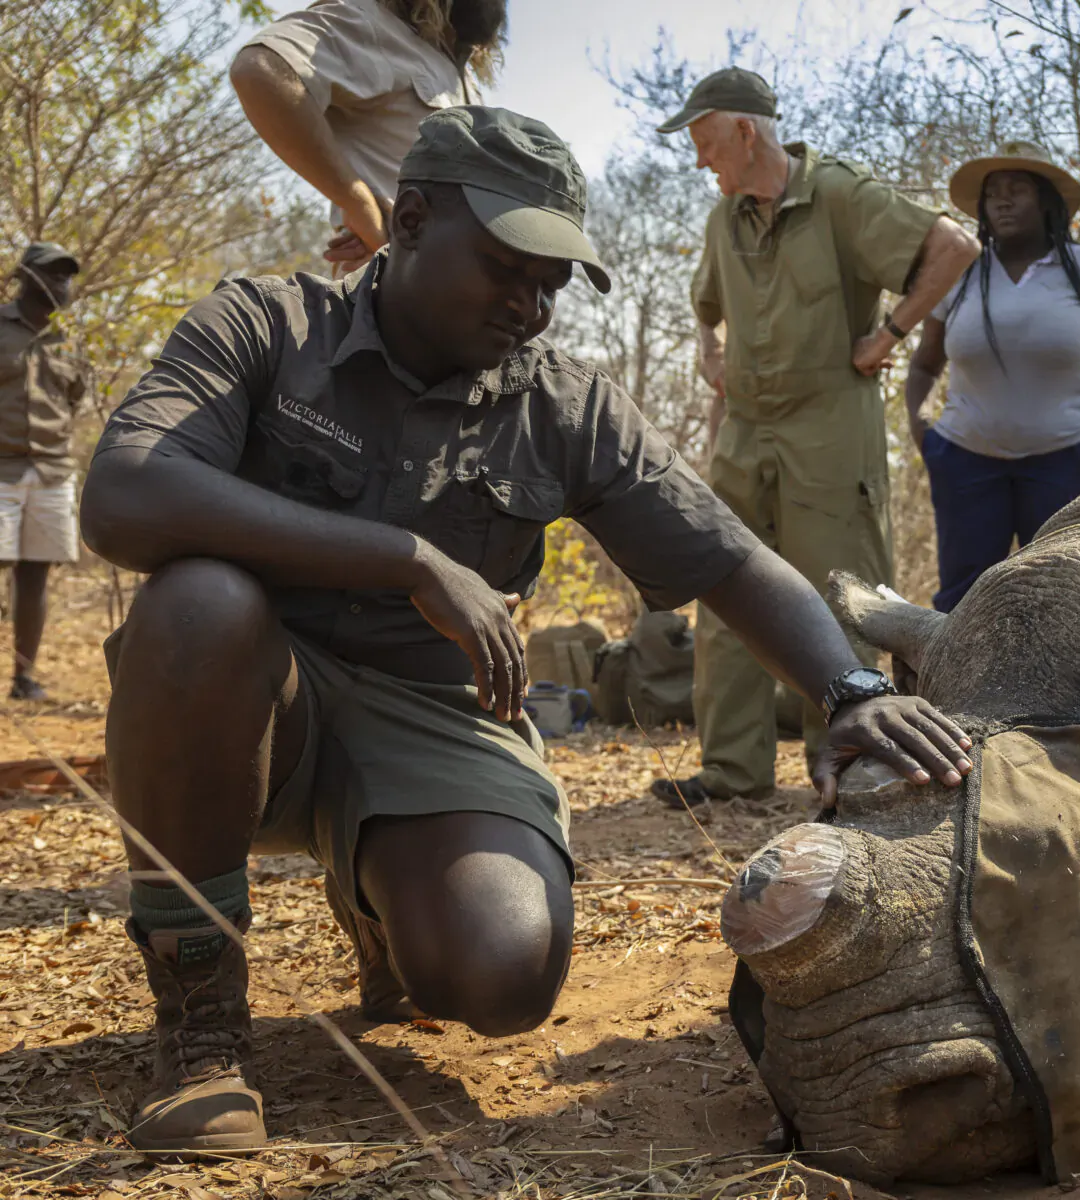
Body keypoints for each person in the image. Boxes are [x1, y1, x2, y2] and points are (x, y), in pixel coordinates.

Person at [83, 107, 974, 1154]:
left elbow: (730, 559)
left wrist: (854, 693)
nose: (533, 306)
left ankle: (382, 903)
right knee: (198, 605)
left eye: (554, 283)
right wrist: (403, 556)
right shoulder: (266, 327)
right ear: (408, 220)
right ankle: (201, 1025)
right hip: (253, 703)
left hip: (435, 712)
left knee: (501, 975)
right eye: (511, 268)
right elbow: (124, 494)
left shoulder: (564, 402)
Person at [652, 67, 981, 807]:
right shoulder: (722, 217)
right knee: (722, 579)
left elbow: (954, 247)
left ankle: (848, 764)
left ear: (746, 131)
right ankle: (731, 770)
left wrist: (889, 332)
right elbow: (704, 303)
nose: (701, 160)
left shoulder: (838, 194)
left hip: (830, 423)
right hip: (745, 429)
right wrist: (710, 350)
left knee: (841, 595)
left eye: (706, 142)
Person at [904, 141, 1080, 611]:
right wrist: (923, 433)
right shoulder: (956, 274)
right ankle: (949, 688)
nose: (1002, 199)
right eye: (993, 191)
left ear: (1046, 201)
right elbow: (923, 364)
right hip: (964, 464)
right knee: (963, 606)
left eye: (1018, 188)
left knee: (1066, 601)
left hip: (1065, 466)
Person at [230, 0, 506, 273]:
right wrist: (359, 203)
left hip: (459, 299)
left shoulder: (465, 80)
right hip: (387, 296)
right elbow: (260, 69)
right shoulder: (372, 22)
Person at [0, 243, 87, 701]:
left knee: (35, 577)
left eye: (67, 277)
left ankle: (23, 679)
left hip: (53, 471)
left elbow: (74, 399)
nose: (62, 286)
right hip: (1, 470)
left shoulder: (70, 340)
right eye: (53, 275)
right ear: (25, 277)